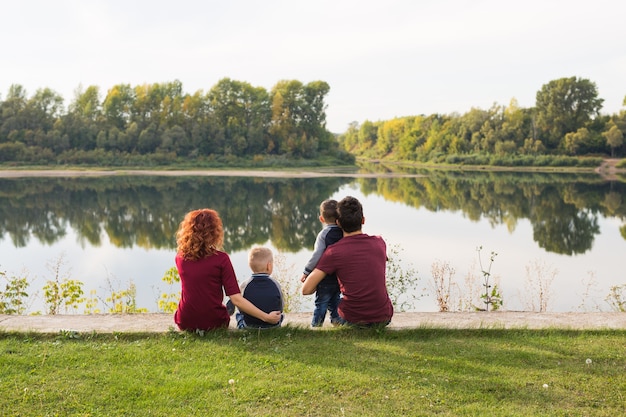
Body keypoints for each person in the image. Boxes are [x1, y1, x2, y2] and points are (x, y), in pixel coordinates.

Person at [173, 209, 282, 331]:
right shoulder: (221, 259)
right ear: (214, 232)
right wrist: (266, 317)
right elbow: (236, 299)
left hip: (185, 321)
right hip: (214, 322)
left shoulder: (180, 258)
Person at [301, 196, 393, 326]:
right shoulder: (379, 243)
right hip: (384, 317)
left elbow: (306, 290)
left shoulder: (334, 252)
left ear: (338, 223)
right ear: (363, 220)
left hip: (353, 319)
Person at [300, 199, 343, 327]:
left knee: (321, 303)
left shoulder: (324, 234)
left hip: (324, 277)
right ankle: (337, 321)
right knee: (335, 300)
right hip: (339, 276)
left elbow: (317, 254)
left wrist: (307, 271)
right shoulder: (343, 232)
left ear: (321, 219)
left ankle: (316, 325)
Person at [234, 247, 285, 329]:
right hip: (272, 325)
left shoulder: (244, 285)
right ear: (269, 266)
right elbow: (281, 306)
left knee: (238, 314)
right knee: (281, 315)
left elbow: (241, 307)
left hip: (250, 325)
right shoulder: (276, 284)